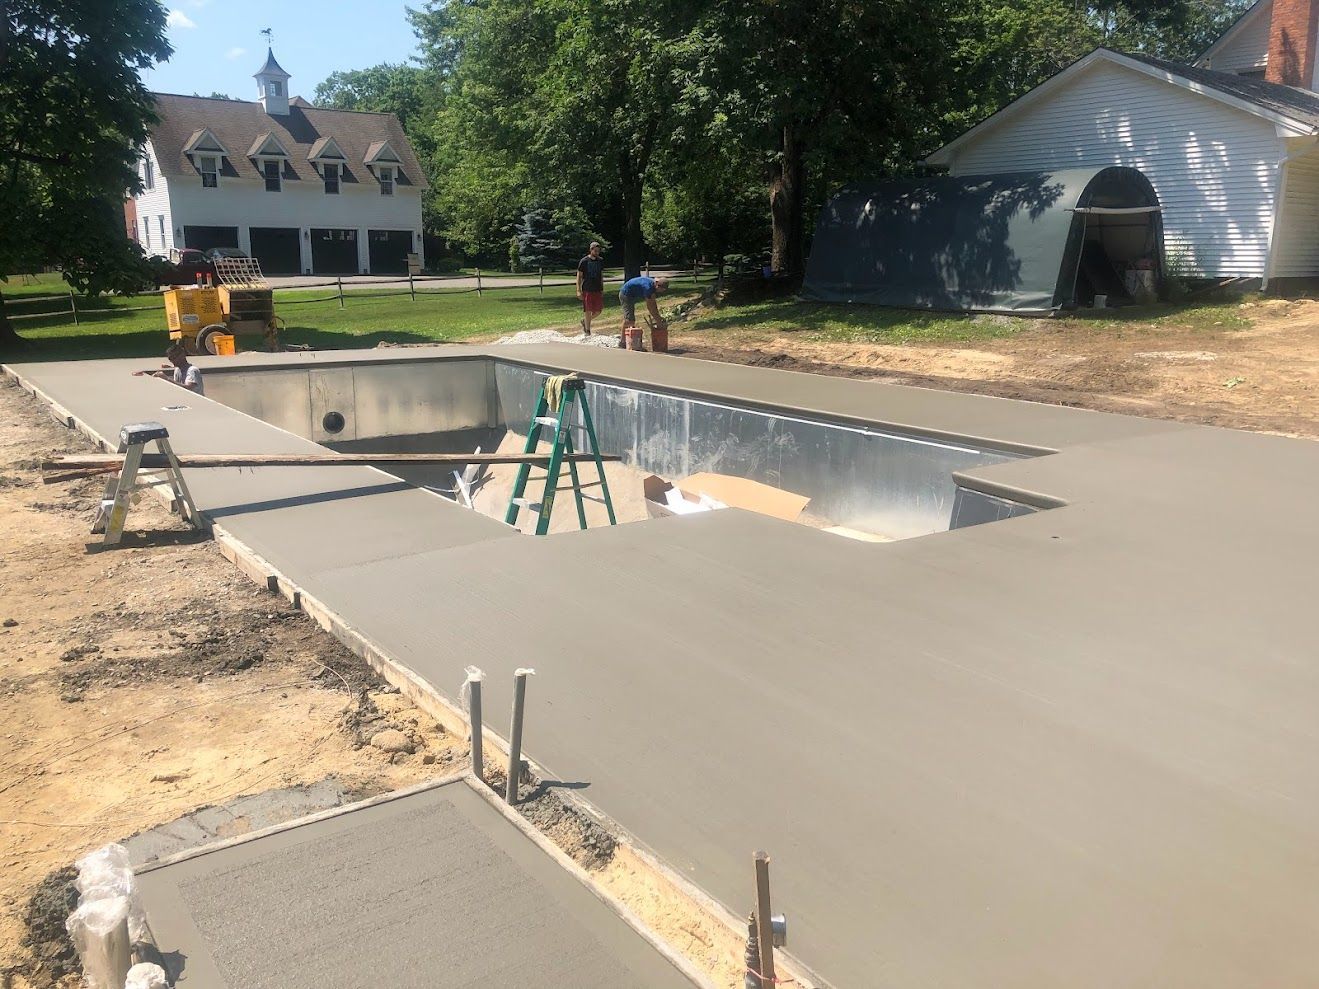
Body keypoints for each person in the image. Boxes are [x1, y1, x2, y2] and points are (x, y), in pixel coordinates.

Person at [617, 274, 668, 349]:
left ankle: (632, 341)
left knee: (631, 321)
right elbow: (650, 306)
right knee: (629, 319)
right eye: (660, 290)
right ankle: (622, 342)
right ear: (657, 285)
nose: (660, 292)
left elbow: (653, 304)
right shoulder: (648, 287)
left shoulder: (653, 285)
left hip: (632, 294)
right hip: (625, 294)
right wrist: (658, 321)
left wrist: (658, 318)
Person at [134, 343, 203, 395]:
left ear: (183, 354)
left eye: (174, 357)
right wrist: (144, 372)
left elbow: (188, 388)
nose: (173, 360)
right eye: (170, 358)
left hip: (198, 404)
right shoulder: (178, 369)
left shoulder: (192, 370)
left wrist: (166, 378)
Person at [576, 241, 606, 336]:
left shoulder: (600, 260)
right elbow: (579, 276)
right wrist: (578, 290)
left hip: (597, 289)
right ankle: (587, 330)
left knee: (598, 310)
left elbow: (601, 275)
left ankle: (585, 321)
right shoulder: (584, 261)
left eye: (598, 251)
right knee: (588, 310)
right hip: (587, 289)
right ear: (591, 250)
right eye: (595, 251)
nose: (597, 253)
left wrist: (602, 288)